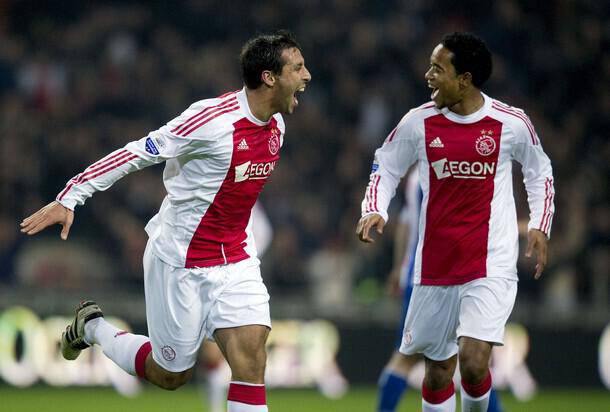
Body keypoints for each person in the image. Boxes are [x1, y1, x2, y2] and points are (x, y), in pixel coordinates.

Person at [21, 30, 311, 412]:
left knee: (251, 361)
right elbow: (137, 153)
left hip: (237, 261)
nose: (307, 76)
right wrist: (70, 196)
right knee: (170, 374)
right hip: (180, 261)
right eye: (298, 67)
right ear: (269, 77)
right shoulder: (211, 121)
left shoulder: (277, 126)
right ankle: (92, 327)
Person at [357, 32, 554, 412]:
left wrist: (540, 224)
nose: (428, 75)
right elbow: (386, 165)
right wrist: (373, 207)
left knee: (475, 362)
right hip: (435, 267)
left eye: (438, 68)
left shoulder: (510, 122)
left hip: (489, 264)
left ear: (464, 79)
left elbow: (539, 171)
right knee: (437, 374)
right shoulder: (419, 122)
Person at [376, 170, 503, 412]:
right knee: (470, 354)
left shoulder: (417, 176)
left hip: (421, 274)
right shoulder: (443, 171)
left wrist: (398, 267)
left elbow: (405, 223)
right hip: (440, 275)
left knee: (462, 355)